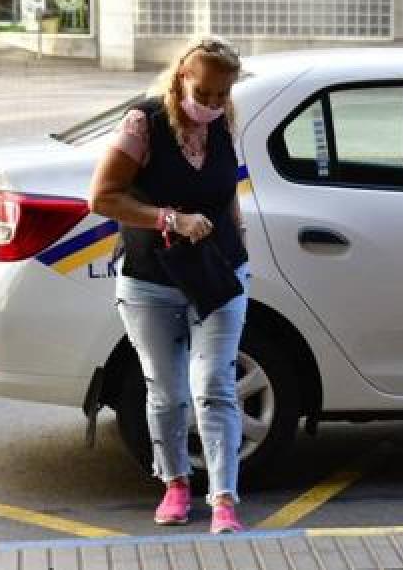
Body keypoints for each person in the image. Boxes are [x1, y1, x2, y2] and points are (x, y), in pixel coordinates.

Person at [88, 36, 250, 534]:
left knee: (215, 386)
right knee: (166, 390)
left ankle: (224, 498)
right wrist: (168, 220)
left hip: (218, 273)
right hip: (151, 279)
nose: (214, 104)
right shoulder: (144, 124)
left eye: (223, 94)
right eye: (205, 92)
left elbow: (227, 193)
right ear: (181, 76)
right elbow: (102, 198)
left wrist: (237, 243)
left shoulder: (224, 121)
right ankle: (176, 484)